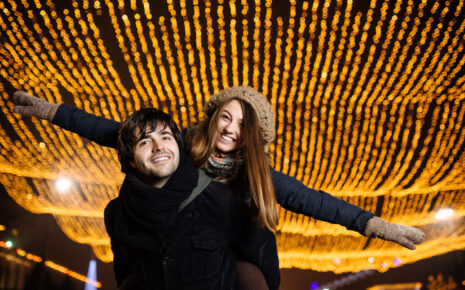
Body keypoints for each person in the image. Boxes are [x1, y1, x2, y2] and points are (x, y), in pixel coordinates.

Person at [13, 87, 425, 287]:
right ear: (215, 116)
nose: (231, 128)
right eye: (227, 117)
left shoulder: (254, 174)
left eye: (243, 124)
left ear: (254, 134)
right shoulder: (179, 144)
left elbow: (313, 201)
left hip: (229, 257)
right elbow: (115, 131)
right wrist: (54, 111)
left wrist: (376, 225)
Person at [95, 107, 279, 289]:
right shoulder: (116, 214)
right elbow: (126, 273)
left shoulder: (220, 199)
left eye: (166, 137)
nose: (159, 147)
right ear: (131, 161)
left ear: (178, 146)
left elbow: (263, 257)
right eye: (144, 142)